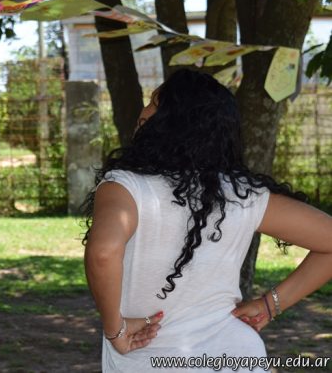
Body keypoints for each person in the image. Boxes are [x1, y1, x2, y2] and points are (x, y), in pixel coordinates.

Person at [81, 68, 332, 372]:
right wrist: (270, 305)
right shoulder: (242, 195)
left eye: (154, 103)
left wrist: (115, 329)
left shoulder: (125, 187)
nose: (143, 111)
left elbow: (103, 252)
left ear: (173, 121)